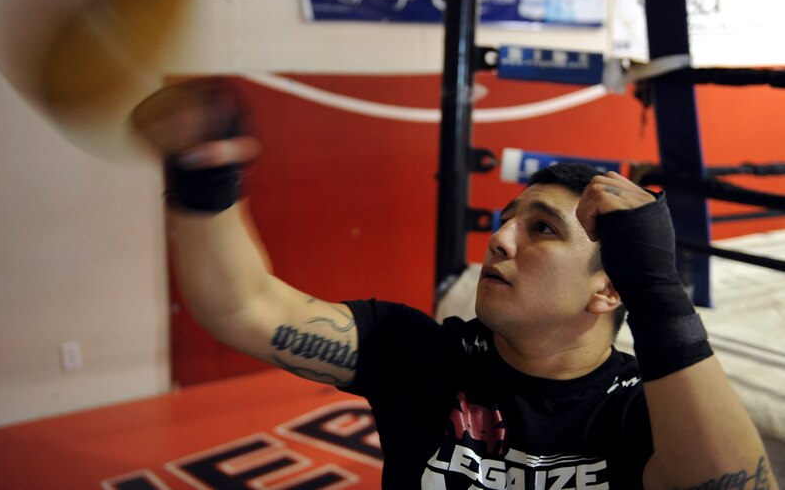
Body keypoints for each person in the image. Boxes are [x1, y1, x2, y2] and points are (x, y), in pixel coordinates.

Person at [133, 78, 778, 489]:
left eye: (543, 231)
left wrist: (659, 294)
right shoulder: (425, 357)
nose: (499, 241)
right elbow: (241, 306)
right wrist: (205, 174)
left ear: (609, 290)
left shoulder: (641, 405)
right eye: (506, 223)